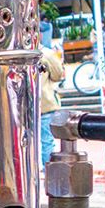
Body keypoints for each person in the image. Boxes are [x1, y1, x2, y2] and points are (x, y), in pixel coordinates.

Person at [39, 27, 65, 169]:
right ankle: (49, 172)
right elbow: (57, 75)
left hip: (22, 106)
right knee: (47, 140)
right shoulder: (46, 54)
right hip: (45, 103)